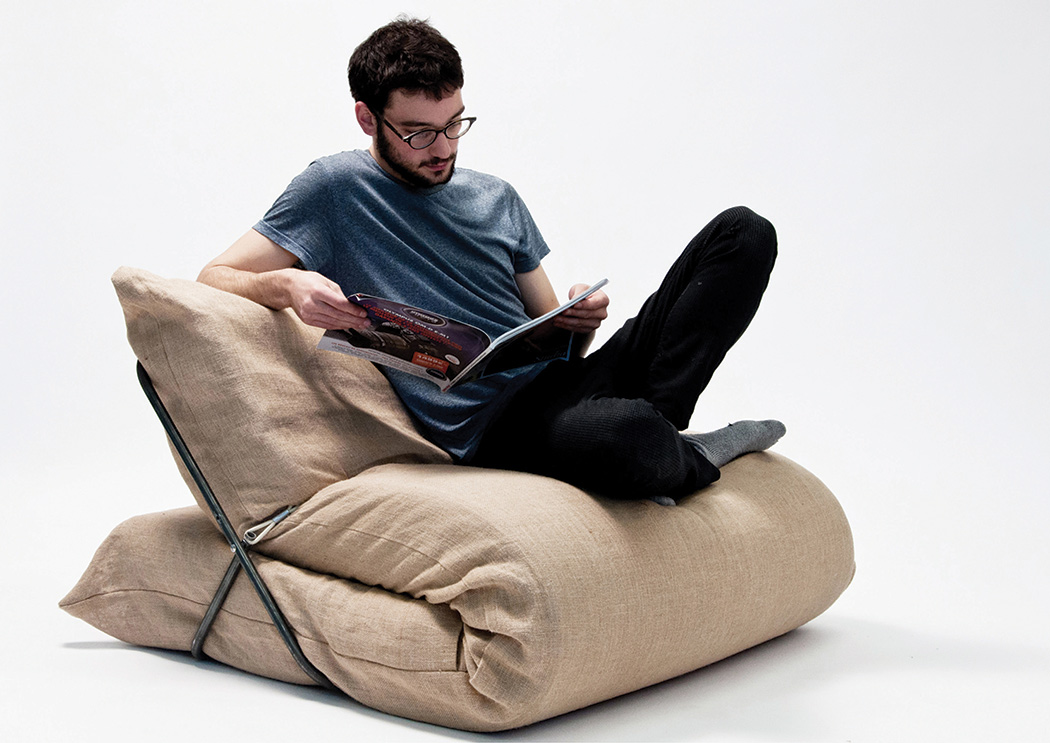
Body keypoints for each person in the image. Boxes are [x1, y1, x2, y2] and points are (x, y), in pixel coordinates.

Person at [198, 17, 785, 505]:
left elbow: (555, 342)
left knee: (744, 233)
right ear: (367, 118)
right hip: (496, 429)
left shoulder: (497, 197)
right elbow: (212, 277)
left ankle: (664, 434)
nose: (444, 148)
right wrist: (288, 285)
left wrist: (578, 319)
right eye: (419, 133)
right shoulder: (332, 189)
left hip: (568, 385)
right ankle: (672, 448)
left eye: (455, 124)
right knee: (621, 432)